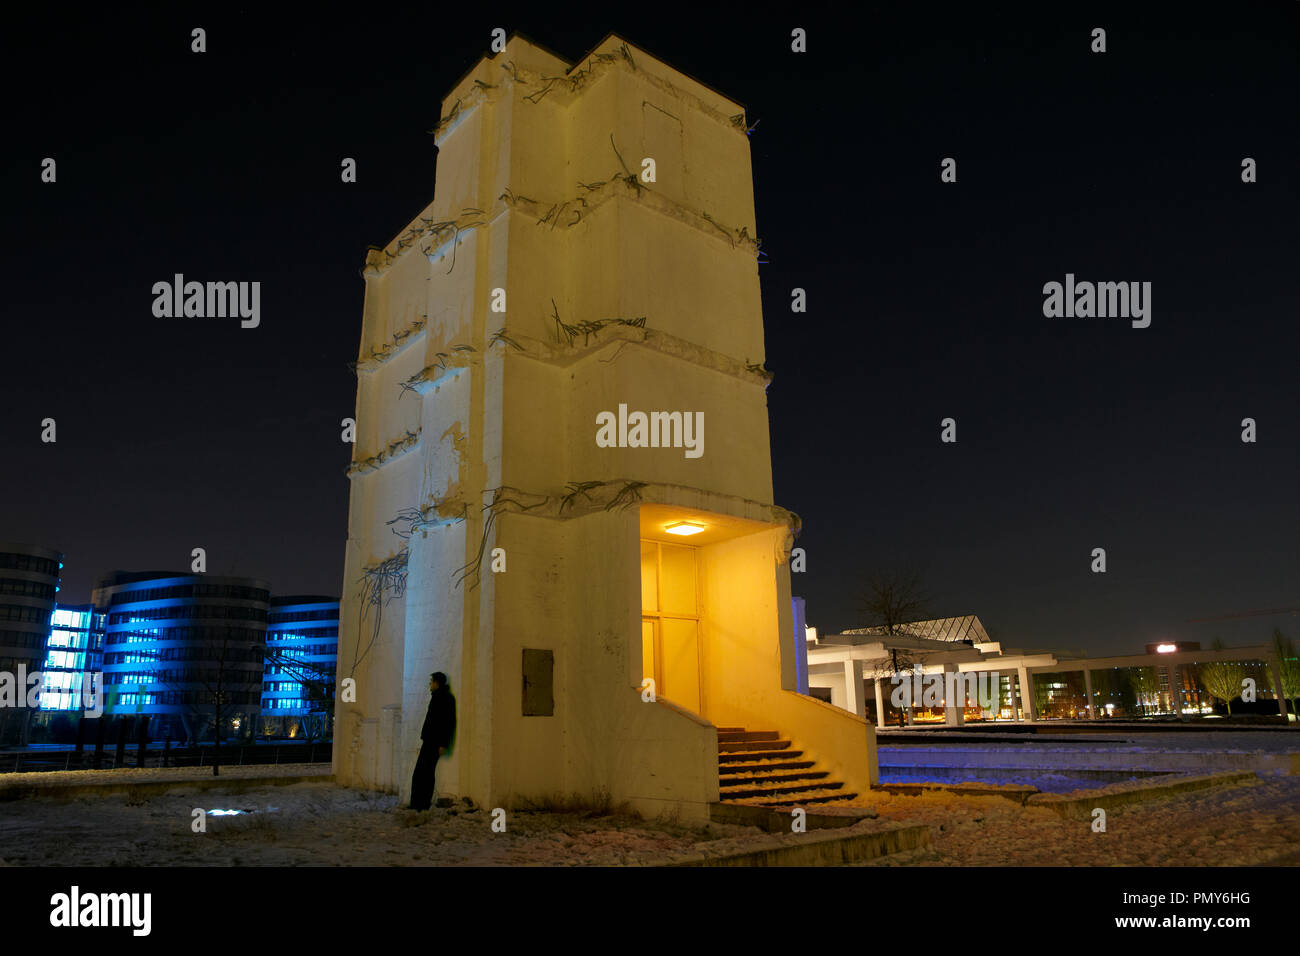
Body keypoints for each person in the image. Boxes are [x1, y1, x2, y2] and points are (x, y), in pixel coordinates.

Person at [407, 671, 456, 811]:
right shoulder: (438, 697)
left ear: (436, 683)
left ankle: (421, 805)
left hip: (434, 742)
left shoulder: (446, 698)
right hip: (429, 740)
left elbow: (448, 722)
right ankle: (418, 804)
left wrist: (443, 744)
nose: (430, 685)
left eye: (431, 682)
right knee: (421, 773)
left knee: (425, 774)